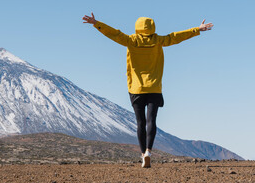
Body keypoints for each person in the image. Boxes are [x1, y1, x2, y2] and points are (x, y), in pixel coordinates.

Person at [82, 13, 213, 168]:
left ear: (137, 28)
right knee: (152, 120)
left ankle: (142, 153)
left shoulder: (131, 40)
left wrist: (97, 23)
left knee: (140, 122)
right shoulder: (158, 41)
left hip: (136, 88)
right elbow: (176, 37)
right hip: (154, 88)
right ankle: (149, 152)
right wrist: (196, 29)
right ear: (152, 28)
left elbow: (114, 34)